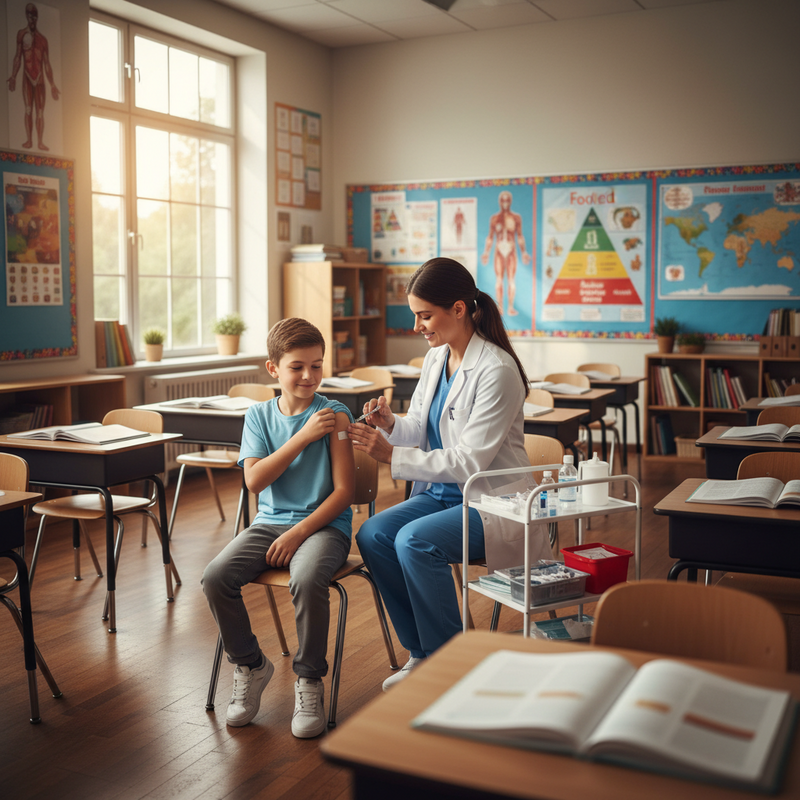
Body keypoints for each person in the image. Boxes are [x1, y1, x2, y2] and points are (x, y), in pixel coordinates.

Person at [348, 257, 552, 690]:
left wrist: (389, 456)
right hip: (443, 495)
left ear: (458, 309)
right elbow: (420, 429)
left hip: (492, 502)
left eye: (425, 315)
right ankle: (422, 652)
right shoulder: (436, 358)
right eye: (416, 316)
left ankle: (450, 664)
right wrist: (390, 424)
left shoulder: (497, 370)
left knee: (415, 540)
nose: (418, 326)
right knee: (373, 534)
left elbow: (469, 461)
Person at [202, 318, 355, 737]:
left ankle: (308, 679)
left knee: (305, 579)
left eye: (317, 366)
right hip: (269, 524)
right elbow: (254, 482)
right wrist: (302, 437)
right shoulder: (258, 415)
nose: (308, 376)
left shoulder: (336, 415)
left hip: (325, 528)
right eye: (297, 367)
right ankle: (251, 666)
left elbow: (344, 493)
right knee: (215, 577)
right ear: (273, 369)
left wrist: (299, 532)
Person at [7, 3, 60, 151]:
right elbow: (18, 57)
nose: (32, 19)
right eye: (30, 16)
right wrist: (13, 76)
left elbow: (47, 64)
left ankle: (40, 142)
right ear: (26, 16)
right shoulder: (22, 35)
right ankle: (29, 140)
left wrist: (53, 84)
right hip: (27, 78)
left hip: (40, 80)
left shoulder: (43, 40)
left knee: (40, 112)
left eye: (35, 16)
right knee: (29, 109)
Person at [481, 190, 530, 316]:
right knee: (499, 280)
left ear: (510, 202)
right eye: (503, 201)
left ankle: (511, 307)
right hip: (499, 250)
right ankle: (500, 308)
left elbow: (519, 236)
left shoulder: (515, 218)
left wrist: (524, 252)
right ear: (499, 202)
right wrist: (486, 252)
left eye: (507, 200)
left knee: (511, 279)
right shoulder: (494, 219)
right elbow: (490, 237)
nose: (505, 203)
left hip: (511, 249)